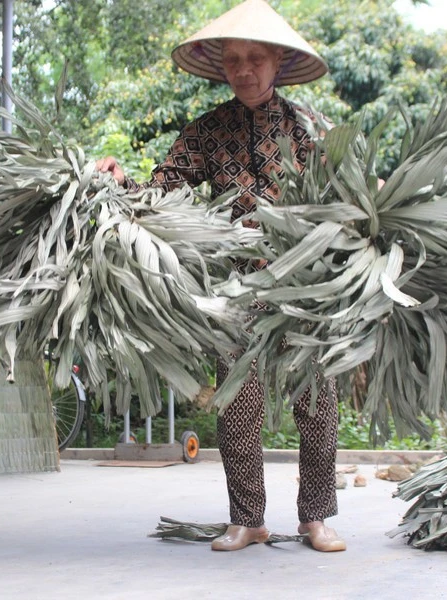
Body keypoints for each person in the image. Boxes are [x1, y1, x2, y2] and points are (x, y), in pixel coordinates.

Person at [97, 0, 345, 553]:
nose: (243, 70)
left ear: (279, 62)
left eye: (256, 58)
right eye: (233, 59)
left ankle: (316, 517)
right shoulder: (205, 132)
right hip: (235, 289)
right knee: (237, 402)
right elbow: (162, 192)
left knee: (318, 402)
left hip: (306, 285)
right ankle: (247, 518)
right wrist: (118, 181)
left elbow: (348, 198)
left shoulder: (311, 129)